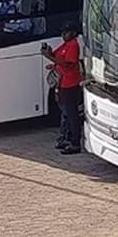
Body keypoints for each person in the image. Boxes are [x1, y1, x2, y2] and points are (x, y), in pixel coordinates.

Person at [43, 22, 83, 154]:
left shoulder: (73, 45)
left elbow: (69, 64)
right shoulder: (66, 44)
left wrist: (49, 57)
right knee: (65, 113)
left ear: (72, 33)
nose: (63, 35)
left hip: (70, 85)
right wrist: (49, 53)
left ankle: (75, 143)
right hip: (61, 84)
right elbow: (57, 57)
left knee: (72, 115)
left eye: (65, 32)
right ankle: (66, 138)